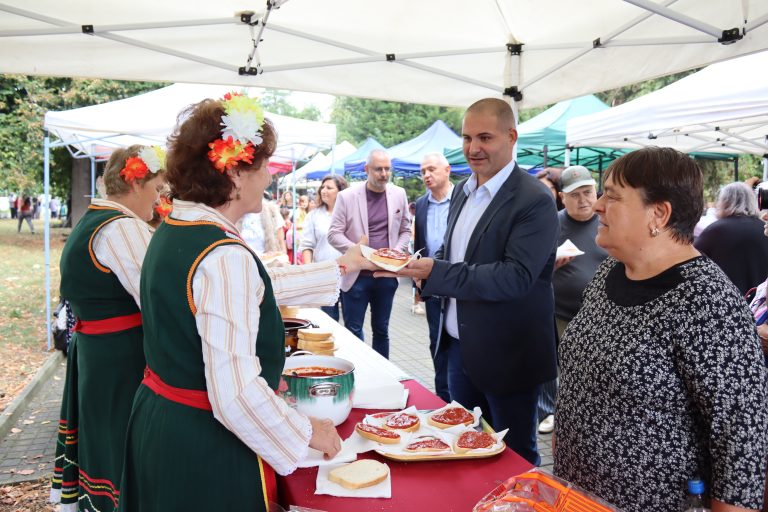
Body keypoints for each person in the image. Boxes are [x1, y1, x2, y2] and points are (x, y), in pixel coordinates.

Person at [118, 94, 374, 511]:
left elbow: (251, 287)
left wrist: (342, 267)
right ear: (235, 174)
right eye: (264, 168)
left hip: (160, 422)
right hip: (205, 447)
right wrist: (309, 430)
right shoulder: (223, 254)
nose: (270, 180)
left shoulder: (176, 228)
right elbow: (236, 395)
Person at [554, 147, 768, 512]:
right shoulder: (611, 271)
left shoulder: (708, 303)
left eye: (613, 195)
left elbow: (742, 442)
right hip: (576, 495)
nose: (599, 205)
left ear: (659, 213)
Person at [388, 98, 559, 465]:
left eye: (485, 137)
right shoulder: (462, 192)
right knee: (460, 444)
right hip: (457, 346)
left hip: (508, 353)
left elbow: (515, 277)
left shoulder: (535, 199)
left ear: (511, 137)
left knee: (515, 455)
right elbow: (458, 257)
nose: (473, 148)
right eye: (467, 138)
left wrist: (437, 272)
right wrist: (423, 276)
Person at [50, 144, 166, 512]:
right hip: (121, 358)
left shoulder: (92, 219)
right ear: (135, 183)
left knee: (104, 437)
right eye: (157, 188)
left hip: (98, 353)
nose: (160, 198)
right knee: (119, 439)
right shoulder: (122, 229)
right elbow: (158, 298)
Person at [537, 165, 608, 435]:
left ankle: (590, 418)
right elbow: (532, 269)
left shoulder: (607, 221)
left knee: (594, 372)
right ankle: (555, 413)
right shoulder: (551, 223)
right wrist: (550, 265)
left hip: (601, 315)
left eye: (588, 192)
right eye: (575, 195)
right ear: (562, 198)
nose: (583, 200)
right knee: (564, 367)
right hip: (561, 313)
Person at [328, 149, 411, 359]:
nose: (383, 174)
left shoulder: (399, 194)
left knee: (382, 330)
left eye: (387, 169)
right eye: (378, 169)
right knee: (353, 330)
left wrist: (396, 252)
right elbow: (334, 234)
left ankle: (385, 374)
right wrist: (359, 254)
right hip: (356, 276)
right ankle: (360, 374)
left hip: (386, 275)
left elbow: (405, 230)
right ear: (366, 169)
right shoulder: (347, 197)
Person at [413, 152, 453, 403]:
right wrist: (417, 285)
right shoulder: (421, 204)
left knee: (457, 342)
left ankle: (460, 397)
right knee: (436, 341)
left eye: (432, 169)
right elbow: (419, 243)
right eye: (423, 171)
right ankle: (442, 398)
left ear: (447, 170)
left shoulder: (464, 199)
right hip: (432, 283)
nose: (427, 175)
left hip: (460, 281)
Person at [694, 182, 768, 295]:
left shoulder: (714, 231)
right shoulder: (764, 229)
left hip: (726, 306)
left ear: (724, 202)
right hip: (760, 305)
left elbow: (692, 265)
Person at [299, 174, 349, 321]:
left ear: (340, 191)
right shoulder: (313, 216)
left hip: (349, 274)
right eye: (322, 187)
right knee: (329, 320)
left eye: (329, 187)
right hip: (325, 275)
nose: (323, 190)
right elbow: (307, 245)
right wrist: (309, 271)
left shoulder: (350, 213)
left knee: (353, 325)